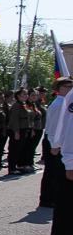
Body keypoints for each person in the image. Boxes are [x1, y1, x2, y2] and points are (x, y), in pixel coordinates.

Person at [41, 78, 72, 208]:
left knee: (56, 173)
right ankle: (47, 199)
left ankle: (52, 198)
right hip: (53, 142)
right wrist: (55, 145)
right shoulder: (59, 104)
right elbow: (53, 127)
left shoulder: (65, 103)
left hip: (58, 142)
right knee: (52, 172)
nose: (71, 89)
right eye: (68, 86)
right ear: (59, 89)